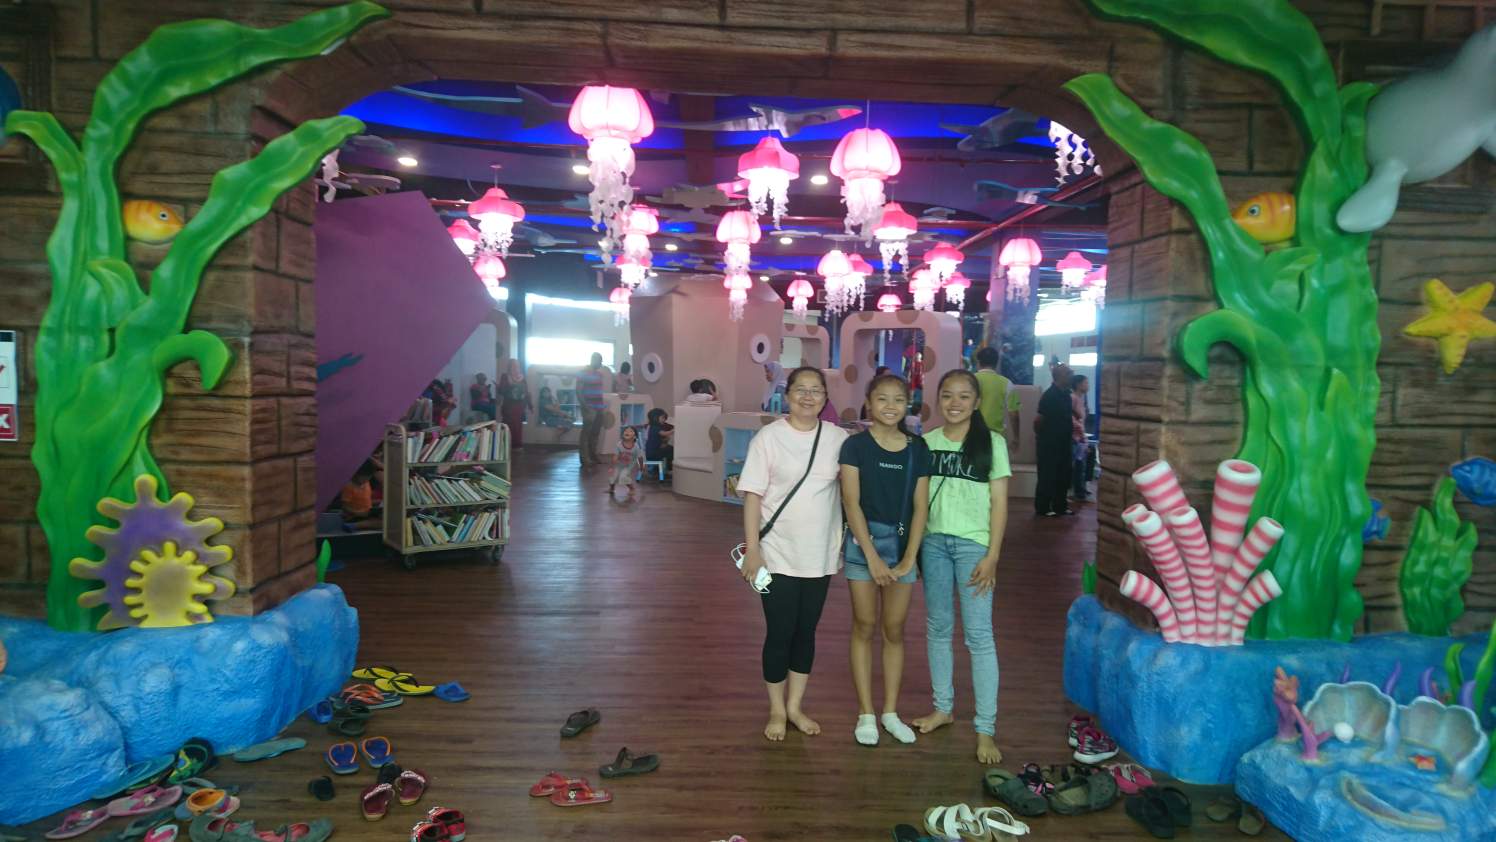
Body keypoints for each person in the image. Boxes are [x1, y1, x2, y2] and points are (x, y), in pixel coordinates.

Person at [737, 366, 850, 742]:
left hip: (819, 555)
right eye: (800, 389)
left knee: (806, 632)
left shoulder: (838, 439)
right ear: (787, 396)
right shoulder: (768, 438)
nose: (808, 396)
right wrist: (753, 551)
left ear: (825, 397)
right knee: (780, 632)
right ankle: (776, 708)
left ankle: (795, 707)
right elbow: (752, 496)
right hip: (776, 553)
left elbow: (854, 489)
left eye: (816, 390)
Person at [912, 369, 1011, 765]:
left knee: (979, 636)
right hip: (933, 544)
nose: (955, 403)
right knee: (938, 628)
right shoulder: (927, 442)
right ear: (938, 399)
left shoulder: (992, 443)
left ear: (976, 402)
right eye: (948, 395)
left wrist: (993, 555)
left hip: (974, 549)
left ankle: (985, 729)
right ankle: (943, 708)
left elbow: (1000, 503)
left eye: (964, 396)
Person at [838, 373, 930, 747]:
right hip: (863, 548)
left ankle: (890, 713)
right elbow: (851, 503)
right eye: (882, 399)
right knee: (864, 624)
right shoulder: (854, 446)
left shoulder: (917, 448)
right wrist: (872, 557)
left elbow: (921, 507)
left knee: (894, 629)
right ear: (869, 403)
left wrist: (910, 558)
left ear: (907, 405)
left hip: (902, 551)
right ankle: (866, 714)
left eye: (898, 400)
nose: (890, 406)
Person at [1034, 364, 1075, 516]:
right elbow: (1038, 420)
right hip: (1049, 444)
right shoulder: (1049, 396)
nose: (1072, 375)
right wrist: (1044, 437)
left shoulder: (1067, 395)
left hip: (1064, 442)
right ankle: (1043, 507)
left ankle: (1060, 506)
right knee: (1047, 475)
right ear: (1060, 376)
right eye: (1069, 373)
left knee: (1063, 475)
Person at [973, 346, 1021, 453]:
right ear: (997, 363)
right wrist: (1016, 438)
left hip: (973, 436)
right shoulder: (1007, 383)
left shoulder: (970, 380)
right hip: (996, 437)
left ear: (978, 362)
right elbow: (1014, 415)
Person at [576, 352, 609, 466]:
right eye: (600, 361)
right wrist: (585, 406)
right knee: (586, 433)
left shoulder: (599, 374)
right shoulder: (583, 372)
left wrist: (601, 407)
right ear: (594, 360)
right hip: (589, 407)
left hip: (599, 407)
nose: (601, 364)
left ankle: (593, 455)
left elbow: (598, 391)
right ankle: (584, 458)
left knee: (595, 433)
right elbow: (578, 391)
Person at [497, 360, 530, 449]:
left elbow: (526, 392)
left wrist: (530, 405)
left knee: (517, 425)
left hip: (519, 406)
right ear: (509, 367)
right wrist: (499, 388)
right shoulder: (505, 376)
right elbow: (502, 391)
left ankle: (517, 445)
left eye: (517, 365)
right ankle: (505, 445)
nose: (515, 367)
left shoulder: (522, 378)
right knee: (508, 424)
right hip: (508, 405)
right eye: (513, 365)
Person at [1071, 374, 1091, 502]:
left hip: (1080, 438)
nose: (1088, 385)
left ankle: (1081, 489)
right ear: (1078, 384)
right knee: (1077, 465)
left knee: (1081, 465)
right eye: (1085, 383)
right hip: (1075, 438)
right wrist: (1081, 435)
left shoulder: (1081, 399)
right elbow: (1072, 419)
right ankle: (1077, 492)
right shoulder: (1073, 398)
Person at [609, 426, 645, 498]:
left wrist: (641, 467)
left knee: (623, 476)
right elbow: (615, 456)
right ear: (622, 435)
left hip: (629, 465)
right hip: (619, 464)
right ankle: (612, 488)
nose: (627, 432)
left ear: (635, 437)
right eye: (626, 431)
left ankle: (632, 488)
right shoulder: (619, 445)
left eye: (631, 431)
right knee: (614, 477)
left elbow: (640, 457)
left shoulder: (636, 447)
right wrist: (612, 466)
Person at [645, 408, 675, 475]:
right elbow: (665, 433)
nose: (664, 420)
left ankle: (665, 468)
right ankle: (669, 469)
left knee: (669, 449)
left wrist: (665, 440)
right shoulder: (655, 427)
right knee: (671, 450)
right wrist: (673, 430)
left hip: (652, 452)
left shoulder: (653, 427)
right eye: (662, 418)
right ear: (655, 418)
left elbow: (656, 438)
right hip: (653, 454)